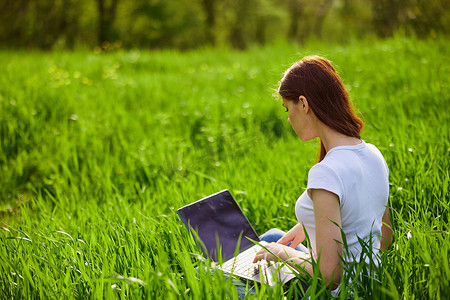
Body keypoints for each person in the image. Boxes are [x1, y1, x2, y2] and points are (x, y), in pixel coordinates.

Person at [252, 56, 393, 294]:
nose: (288, 118)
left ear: (304, 104)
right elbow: (384, 237)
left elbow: (331, 276)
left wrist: (283, 254)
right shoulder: (372, 153)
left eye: (288, 109)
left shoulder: (326, 172)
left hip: (337, 292)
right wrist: (307, 226)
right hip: (368, 284)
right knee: (272, 237)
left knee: (219, 276)